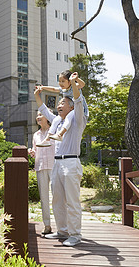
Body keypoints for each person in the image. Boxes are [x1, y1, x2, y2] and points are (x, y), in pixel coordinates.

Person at [33, 72, 87, 247]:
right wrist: (37, 95)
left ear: (71, 107)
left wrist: (73, 82)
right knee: (57, 200)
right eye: (59, 102)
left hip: (71, 162)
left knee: (72, 201)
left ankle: (75, 234)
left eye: (63, 102)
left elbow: (78, 101)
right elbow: (43, 110)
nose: (59, 104)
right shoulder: (57, 120)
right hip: (57, 163)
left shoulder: (77, 118)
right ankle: (62, 231)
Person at [36, 70, 88, 146]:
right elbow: (53, 89)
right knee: (56, 119)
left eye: (63, 81)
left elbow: (82, 84)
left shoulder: (74, 86)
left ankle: (60, 134)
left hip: (80, 111)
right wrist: (42, 87)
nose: (60, 83)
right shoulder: (63, 90)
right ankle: (47, 139)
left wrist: (76, 79)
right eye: (59, 81)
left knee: (68, 117)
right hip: (71, 110)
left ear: (69, 81)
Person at [28, 111, 55, 235]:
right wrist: (32, 152)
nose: (38, 117)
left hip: (54, 167)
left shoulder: (55, 131)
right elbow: (35, 150)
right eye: (37, 115)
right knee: (44, 198)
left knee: (58, 197)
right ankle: (47, 225)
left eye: (41, 114)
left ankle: (62, 226)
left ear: (48, 117)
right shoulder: (36, 135)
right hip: (40, 167)